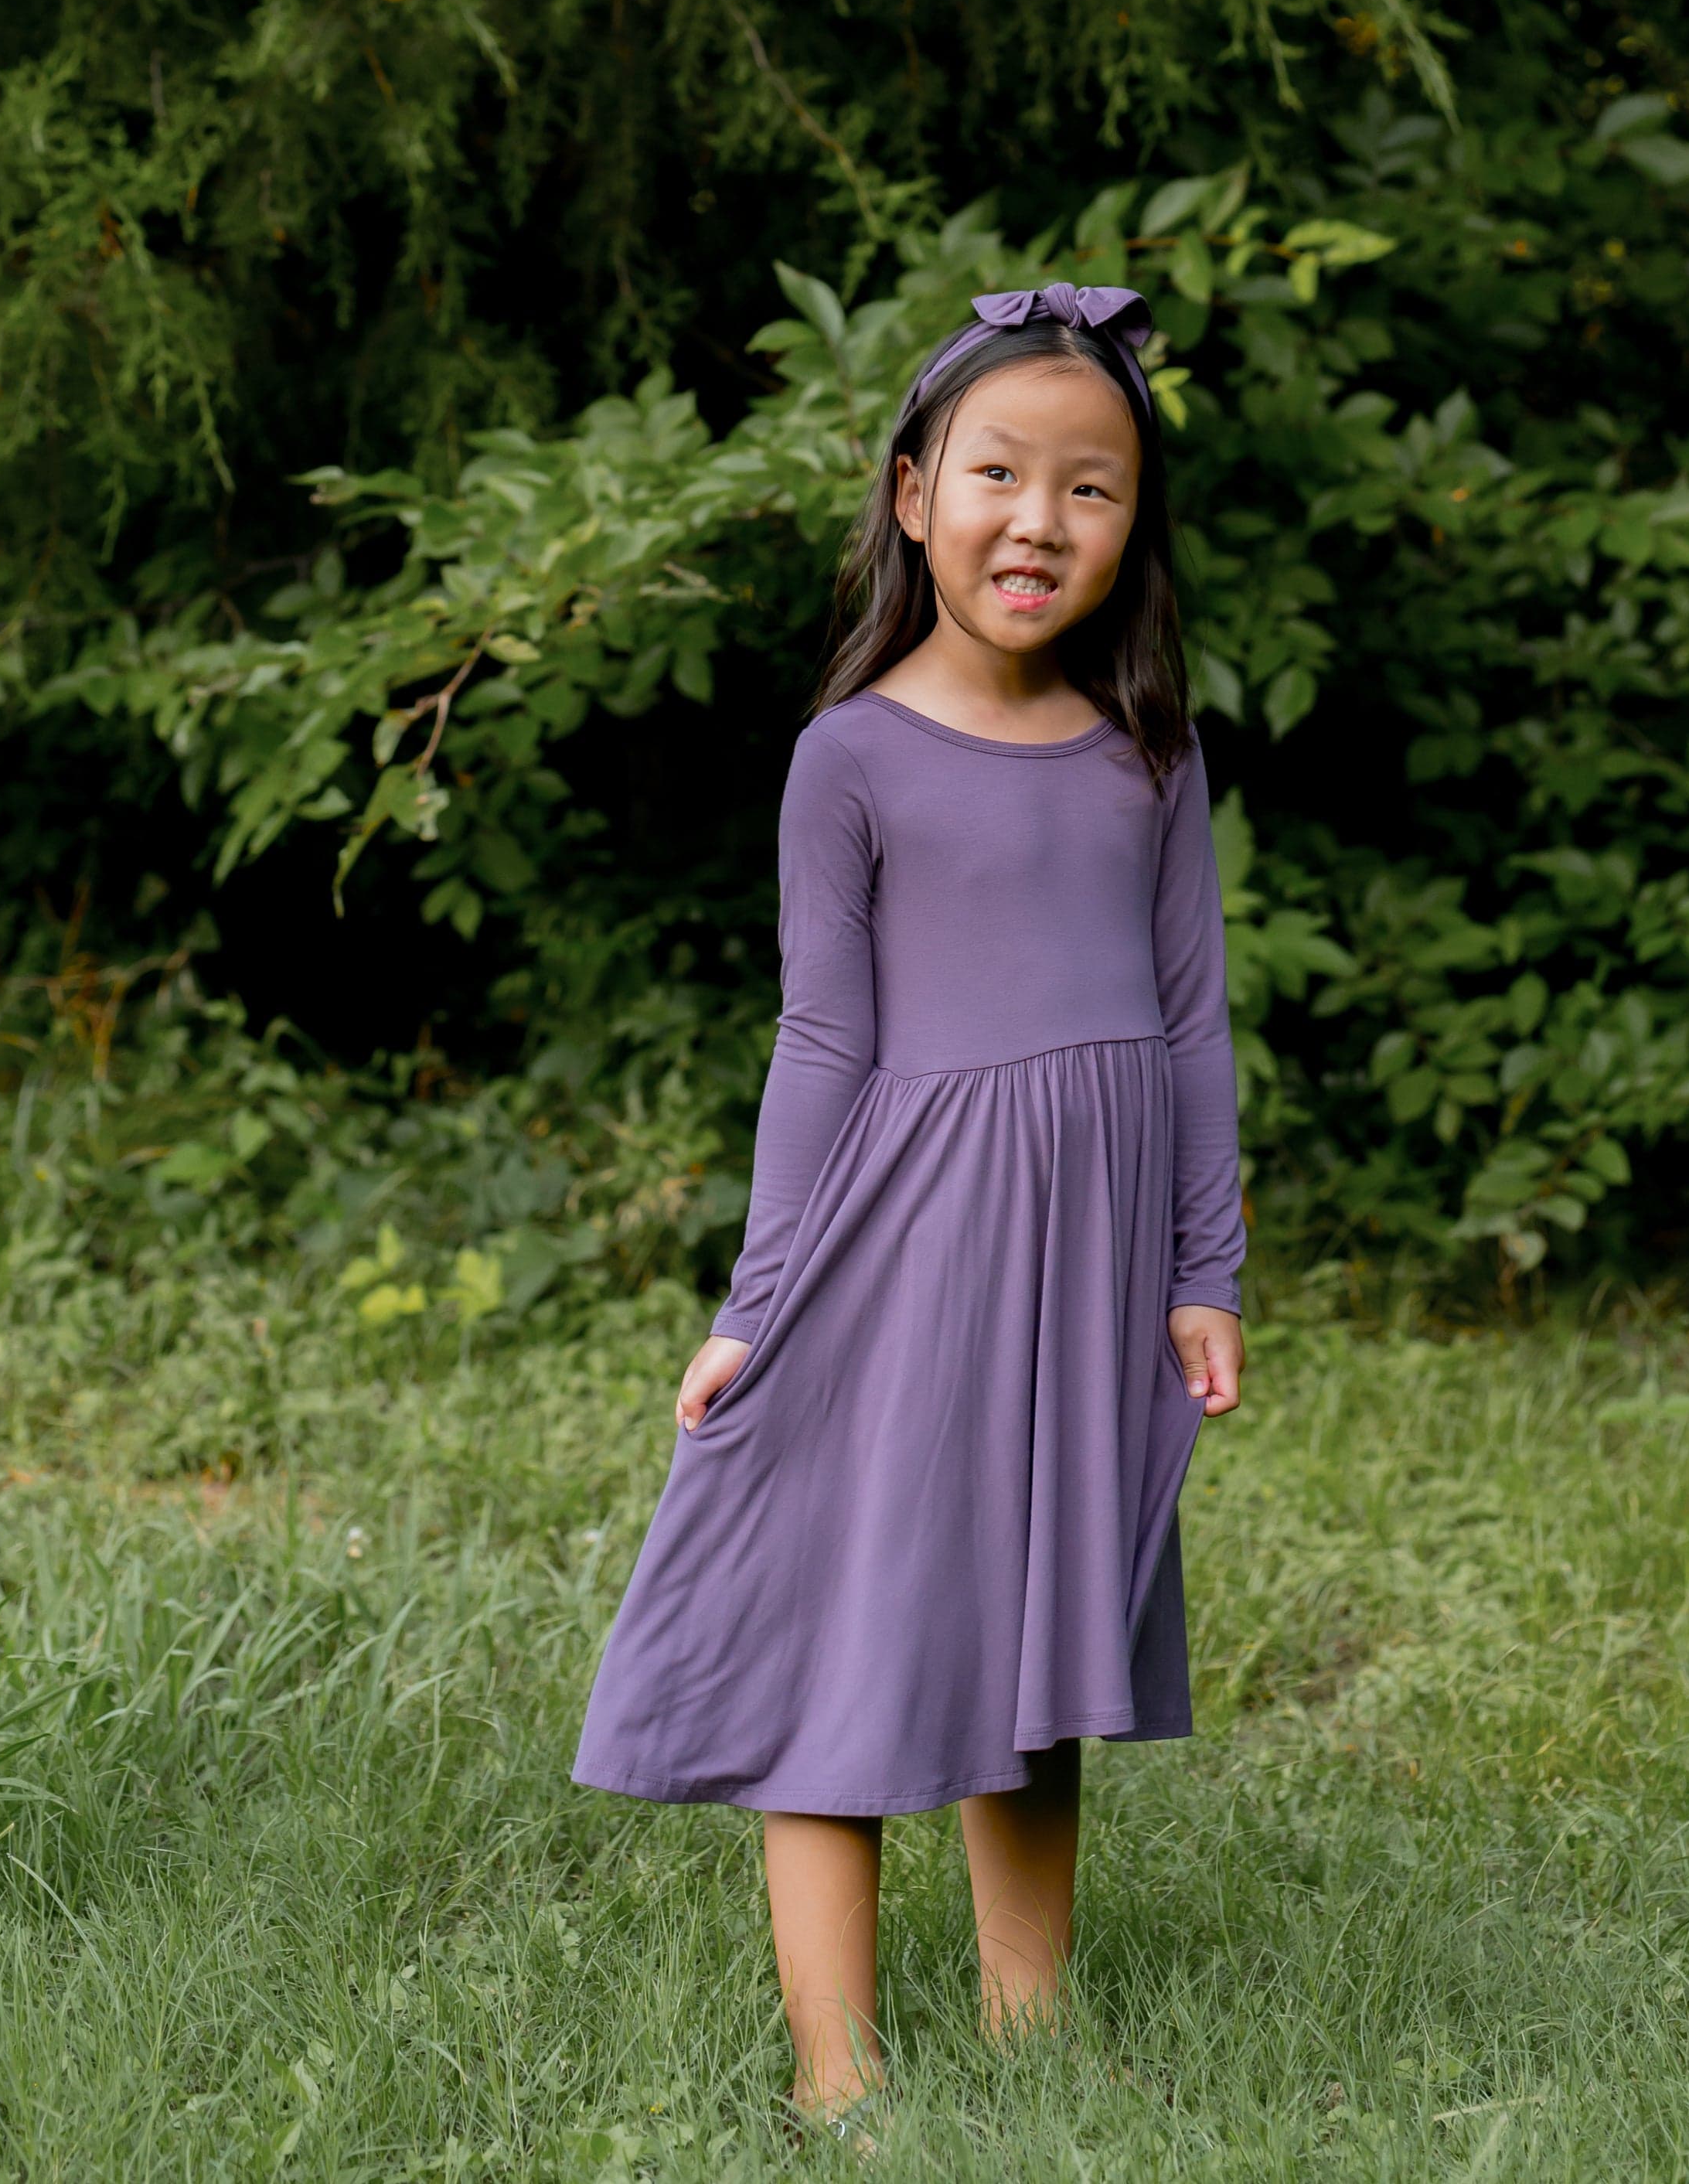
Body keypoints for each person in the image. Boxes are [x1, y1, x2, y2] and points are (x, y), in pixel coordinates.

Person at [570, 281, 1247, 2145]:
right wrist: (755, 1300)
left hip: (1090, 1267)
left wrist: (1207, 1270)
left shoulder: (1150, 756)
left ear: (1133, 530)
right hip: (906, 1250)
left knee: (1043, 1649)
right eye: (1001, 475)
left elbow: (1191, 1022)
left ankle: (1035, 2042)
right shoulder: (852, 756)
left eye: (1092, 488)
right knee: (866, 1642)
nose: (1041, 520)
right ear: (913, 494)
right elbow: (821, 1042)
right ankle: (838, 2076)